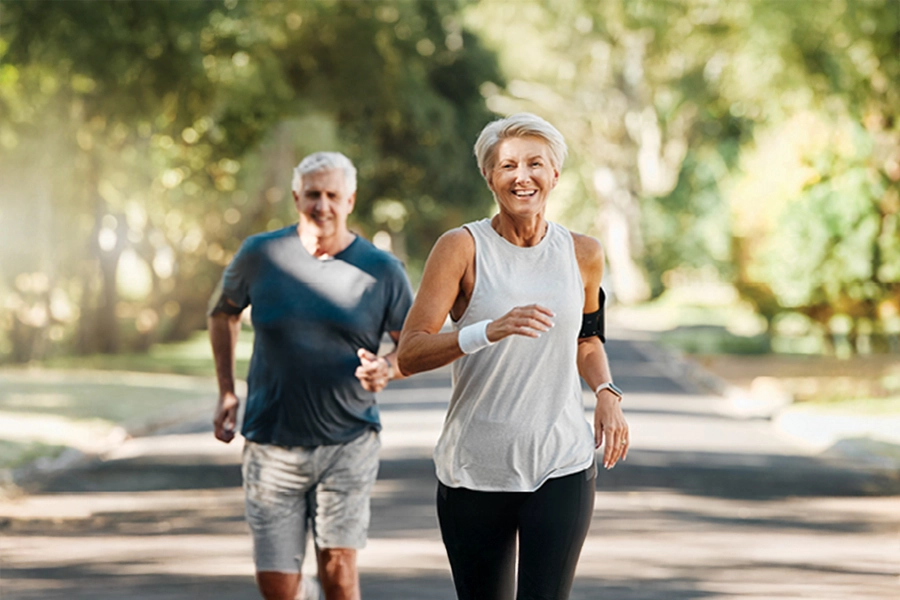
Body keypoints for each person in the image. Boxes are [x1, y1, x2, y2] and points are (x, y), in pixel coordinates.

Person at [396, 113, 629, 600]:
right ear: (489, 176)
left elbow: (587, 339)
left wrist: (606, 391)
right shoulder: (460, 248)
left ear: (555, 174)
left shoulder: (583, 253)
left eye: (534, 164)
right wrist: (487, 330)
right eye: (507, 166)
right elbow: (411, 351)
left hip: (561, 463)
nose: (522, 176)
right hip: (475, 468)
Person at [208, 151, 414, 600]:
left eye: (333, 196)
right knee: (277, 586)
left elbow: (413, 345)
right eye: (313, 195)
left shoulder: (383, 270)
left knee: (339, 574)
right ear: (296, 197)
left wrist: (388, 368)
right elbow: (222, 313)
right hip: (271, 443)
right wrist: (226, 391)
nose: (323, 205)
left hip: (348, 442)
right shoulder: (260, 254)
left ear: (350, 200)